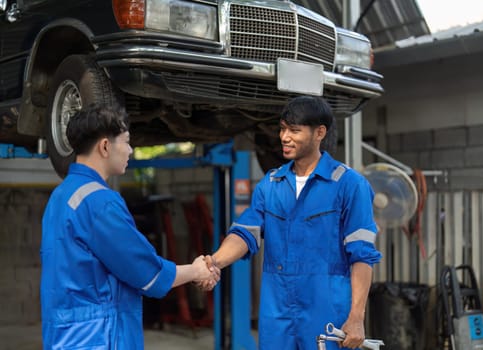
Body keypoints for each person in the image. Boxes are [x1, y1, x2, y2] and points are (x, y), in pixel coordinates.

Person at [203, 96, 382, 349]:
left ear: (320, 132)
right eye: (282, 128)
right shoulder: (271, 184)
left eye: (294, 130)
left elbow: (362, 255)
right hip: (277, 314)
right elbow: (246, 232)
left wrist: (356, 317)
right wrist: (214, 262)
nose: (284, 137)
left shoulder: (350, 185)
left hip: (327, 313)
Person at [40, 104, 219, 350]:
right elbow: (147, 273)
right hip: (99, 337)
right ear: (105, 146)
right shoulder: (99, 202)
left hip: (66, 335)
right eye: (126, 141)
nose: (130, 150)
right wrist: (197, 271)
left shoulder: (61, 196)